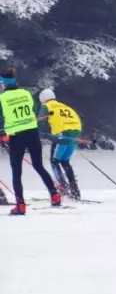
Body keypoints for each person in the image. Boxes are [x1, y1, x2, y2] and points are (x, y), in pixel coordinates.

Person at [0, 67, 60, 214]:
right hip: (32, 132)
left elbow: (1, 119)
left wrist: (2, 134)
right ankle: (55, 195)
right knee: (39, 166)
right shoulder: (26, 93)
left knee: (16, 171)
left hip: (16, 135)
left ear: (3, 84)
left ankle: (20, 205)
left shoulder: (2, 98)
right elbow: (32, 109)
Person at [37, 88, 83, 201]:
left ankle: (63, 188)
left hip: (62, 135)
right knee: (65, 161)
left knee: (54, 161)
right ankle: (75, 190)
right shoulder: (64, 106)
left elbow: (41, 123)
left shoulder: (47, 106)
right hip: (75, 134)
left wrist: (40, 133)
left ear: (43, 99)